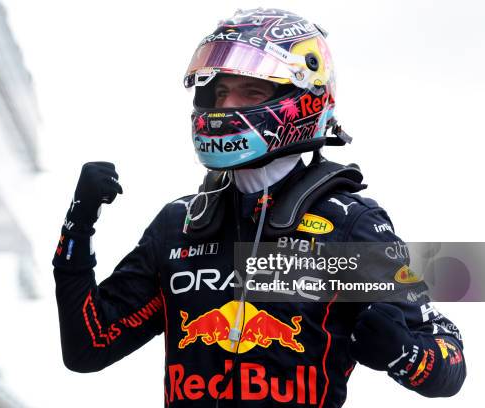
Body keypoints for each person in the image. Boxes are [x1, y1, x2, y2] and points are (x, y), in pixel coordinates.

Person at [53, 8, 466, 407]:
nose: (226, 106)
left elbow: (450, 360)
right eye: (219, 92)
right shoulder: (180, 223)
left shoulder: (348, 223)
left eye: (250, 91)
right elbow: (89, 347)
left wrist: (405, 352)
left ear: (303, 99)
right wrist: (78, 227)